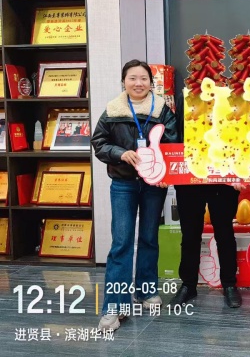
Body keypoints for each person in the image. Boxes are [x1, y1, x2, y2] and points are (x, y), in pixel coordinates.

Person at [91, 59, 178, 331]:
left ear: (151, 83)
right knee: (122, 243)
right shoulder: (113, 110)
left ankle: (146, 290)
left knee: (150, 238)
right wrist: (120, 153)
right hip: (123, 184)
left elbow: (173, 144)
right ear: (124, 82)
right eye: (132, 78)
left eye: (143, 78)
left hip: (153, 186)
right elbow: (99, 142)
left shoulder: (162, 110)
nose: (138, 83)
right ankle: (114, 307)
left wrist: (165, 175)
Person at [168, 94, 243, 309]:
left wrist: (239, 171)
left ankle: (229, 284)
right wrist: (168, 168)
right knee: (190, 234)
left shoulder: (228, 96)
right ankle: (188, 284)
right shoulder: (186, 97)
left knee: (224, 232)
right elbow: (174, 135)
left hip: (222, 177)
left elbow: (239, 135)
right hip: (190, 177)